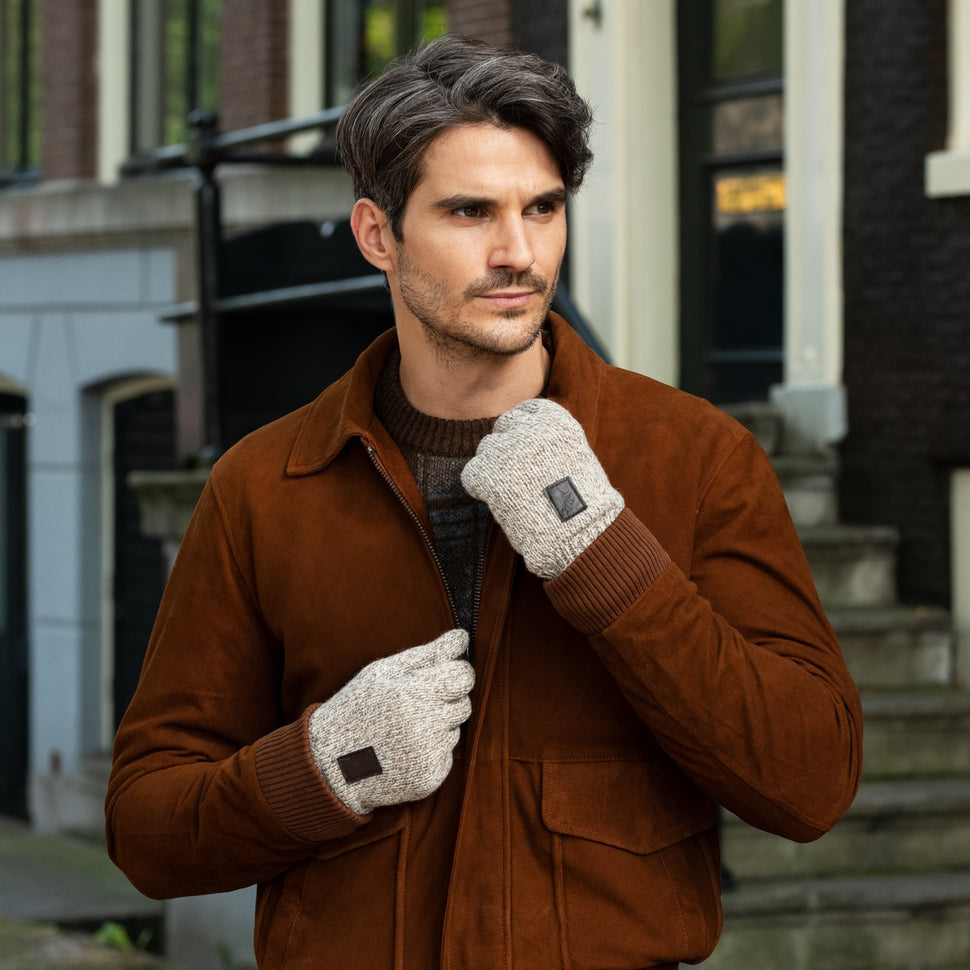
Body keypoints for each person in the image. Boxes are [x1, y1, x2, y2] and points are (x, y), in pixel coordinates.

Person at [106, 34, 863, 970]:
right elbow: (147, 828)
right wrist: (328, 765)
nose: (519, 253)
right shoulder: (265, 486)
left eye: (543, 208)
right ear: (377, 235)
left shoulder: (695, 460)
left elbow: (810, 783)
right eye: (470, 212)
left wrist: (604, 554)